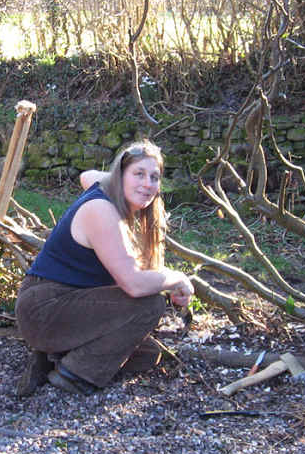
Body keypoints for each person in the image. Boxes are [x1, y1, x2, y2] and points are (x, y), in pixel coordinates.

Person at [15, 139, 194, 396]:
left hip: (67, 304)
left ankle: (50, 358)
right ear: (120, 175)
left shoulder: (105, 186)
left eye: (154, 177)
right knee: (150, 305)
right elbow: (133, 284)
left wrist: (123, 175)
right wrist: (177, 278)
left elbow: (86, 175)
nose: (147, 184)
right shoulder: (101, 209)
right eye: (139, 174)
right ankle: (73, 374)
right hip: (44, 308)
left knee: (149, 355)